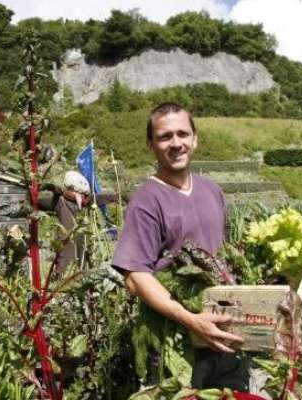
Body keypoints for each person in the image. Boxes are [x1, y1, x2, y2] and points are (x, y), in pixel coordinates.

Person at [111, 102, 248, 390]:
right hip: (178, 344)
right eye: (165, 136)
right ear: (150, 145)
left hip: (224, 336)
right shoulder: (147, 201)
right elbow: (136, 277)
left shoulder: (212, 189)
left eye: (183, 134)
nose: (176, 143)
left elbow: (222, 255)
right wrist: (191, 320)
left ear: (195, 139)